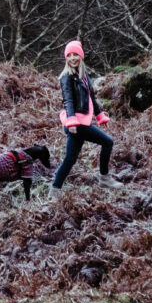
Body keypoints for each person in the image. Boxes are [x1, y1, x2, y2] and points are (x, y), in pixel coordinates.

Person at [50, 39, 121, 194]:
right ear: (66, 58)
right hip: (77, 123)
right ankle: (104, 179)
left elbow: (91, 98)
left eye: (76, 54)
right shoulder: (66, 77)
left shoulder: (84, 75)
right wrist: (72, 122)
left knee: (70, 159)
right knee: (108, 142)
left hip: (81, 122)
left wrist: (100, 115)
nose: (73, 58)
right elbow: (67, 100)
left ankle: (55, 190)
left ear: (81, 56)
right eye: (69, 55)